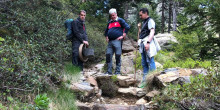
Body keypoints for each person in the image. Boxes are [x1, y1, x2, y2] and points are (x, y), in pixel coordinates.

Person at [104, 8, 130, 75]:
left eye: (113, 15)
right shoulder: (109, 22)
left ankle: (117, 72)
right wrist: (106, 36)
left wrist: (123, 35)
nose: (112, 16)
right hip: (110, 42)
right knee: (108, 55)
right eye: (111, 15)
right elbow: (106, 31)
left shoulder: (120, 20)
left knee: (118, 55)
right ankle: (109, 71)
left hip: (117, 41)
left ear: (116, 14)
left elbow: (127, 27)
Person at [138, 8, 158, 88]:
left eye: (141, 15)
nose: (140, 16)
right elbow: (142, 34)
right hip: (143, 43)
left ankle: (152, 80)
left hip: (147, 42)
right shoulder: (144, 22)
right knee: (144, 63)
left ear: (145, 13)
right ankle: (144, 81)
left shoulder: (150, 21)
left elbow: (152, 32)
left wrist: (148, 43)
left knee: (150, 61)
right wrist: (139, 28)